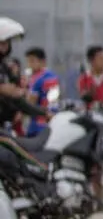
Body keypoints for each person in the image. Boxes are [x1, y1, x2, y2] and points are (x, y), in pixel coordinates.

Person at [0, 18, 28, 178]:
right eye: (1, 42)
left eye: (6, 43)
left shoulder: (5, 65)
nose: (4, 46)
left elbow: (16, 91)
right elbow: (10, 91)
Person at [22, 47, 58, 137]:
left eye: (32, 61)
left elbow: (30, 102)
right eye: (28, 61)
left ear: (42, 61)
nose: (29, 65)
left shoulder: (38, 78)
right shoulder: (52, 76)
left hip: (38, 124)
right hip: (52, 120)